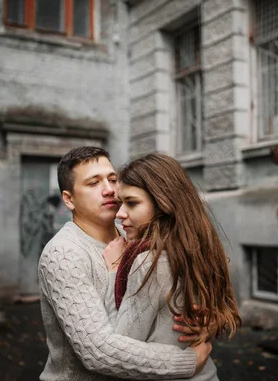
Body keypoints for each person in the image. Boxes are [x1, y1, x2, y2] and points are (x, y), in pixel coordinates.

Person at [37, 146, 212, 380]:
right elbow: (98, 352)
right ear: (69, 199)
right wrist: (189, 360)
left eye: (112, 179)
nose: (109, 190)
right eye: (93, 183)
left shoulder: (133, 230)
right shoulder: (63, 254)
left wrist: (201, 324)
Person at [102, 153, 241, 380]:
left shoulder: (150, 262)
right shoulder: (198, 248)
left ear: (163, 202)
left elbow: (120, 347)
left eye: (132, 203)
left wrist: (113, 270)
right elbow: (224, 313)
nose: (120, 214)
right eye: (120, 203)